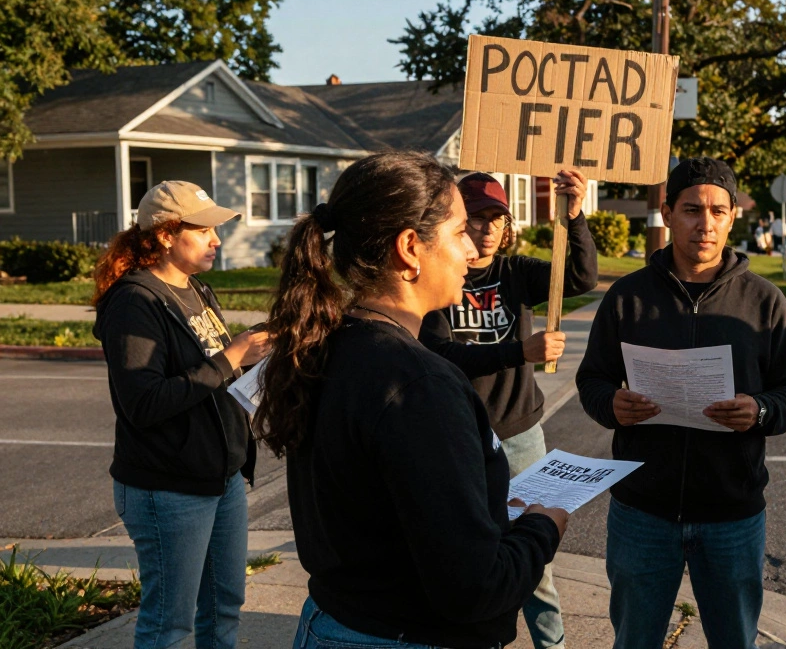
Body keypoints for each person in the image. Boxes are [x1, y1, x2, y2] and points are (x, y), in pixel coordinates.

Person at [253, 152, 567, 649]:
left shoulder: (327, 344)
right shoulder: (418, 385)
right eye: (460, 231)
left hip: (337, 622)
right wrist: (541, 527)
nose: (471, 250)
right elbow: (474, 588)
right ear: (409, 248)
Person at [576, 157, 786, 648]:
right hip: (642, 511)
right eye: (691, 210)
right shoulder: (627, 297)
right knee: (635, 640)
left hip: (733, 514)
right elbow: (592, 380)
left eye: (718, 211)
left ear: (732, 217)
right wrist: (612, 405)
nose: (705, 224)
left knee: (734, 641)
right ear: (667, 214)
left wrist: (760, 411)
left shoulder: (765, 302)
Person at [419, 169, 597, 649]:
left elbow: (580, 276)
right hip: (459, 436)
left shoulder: (516, 273)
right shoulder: (438, 280)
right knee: (464, 552)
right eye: (477, 218)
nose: (489, 228)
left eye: (497, 217)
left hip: (520, 436)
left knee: (536, 560)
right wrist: (519, 351)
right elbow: (441, 353)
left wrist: (574, 216)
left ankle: (551, 645)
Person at [92, 181, 270, 649]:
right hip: (167, 487)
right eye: (205, 228)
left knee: (224, 606)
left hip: (221, 477)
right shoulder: (136, 302)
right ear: (167, 235)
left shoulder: (196, 289)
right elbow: (144, 403)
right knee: (169, 625)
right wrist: (230, 358)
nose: (217, 239)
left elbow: (212, 375)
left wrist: (253, 357)